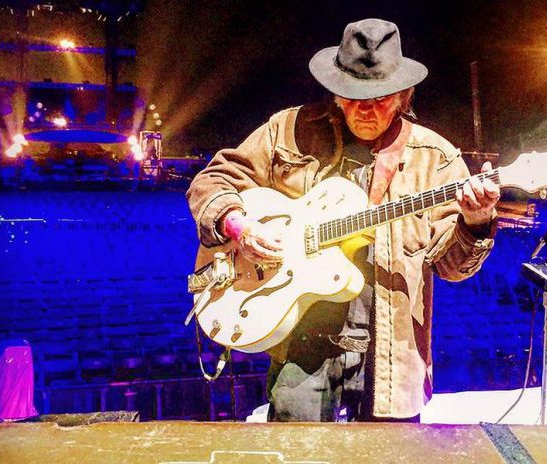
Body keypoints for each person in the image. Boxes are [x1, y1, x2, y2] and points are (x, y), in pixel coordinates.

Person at [186, 18, 499, 422]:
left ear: (403, 96)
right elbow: (215, 179)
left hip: (391, 357)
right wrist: (237, 226)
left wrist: (476, 222)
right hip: (302, 346)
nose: (366, 110)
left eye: (381, 98)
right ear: (335, 91)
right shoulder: (288, 129)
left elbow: (453, 269)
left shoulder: (435, 158)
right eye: (353, 96)